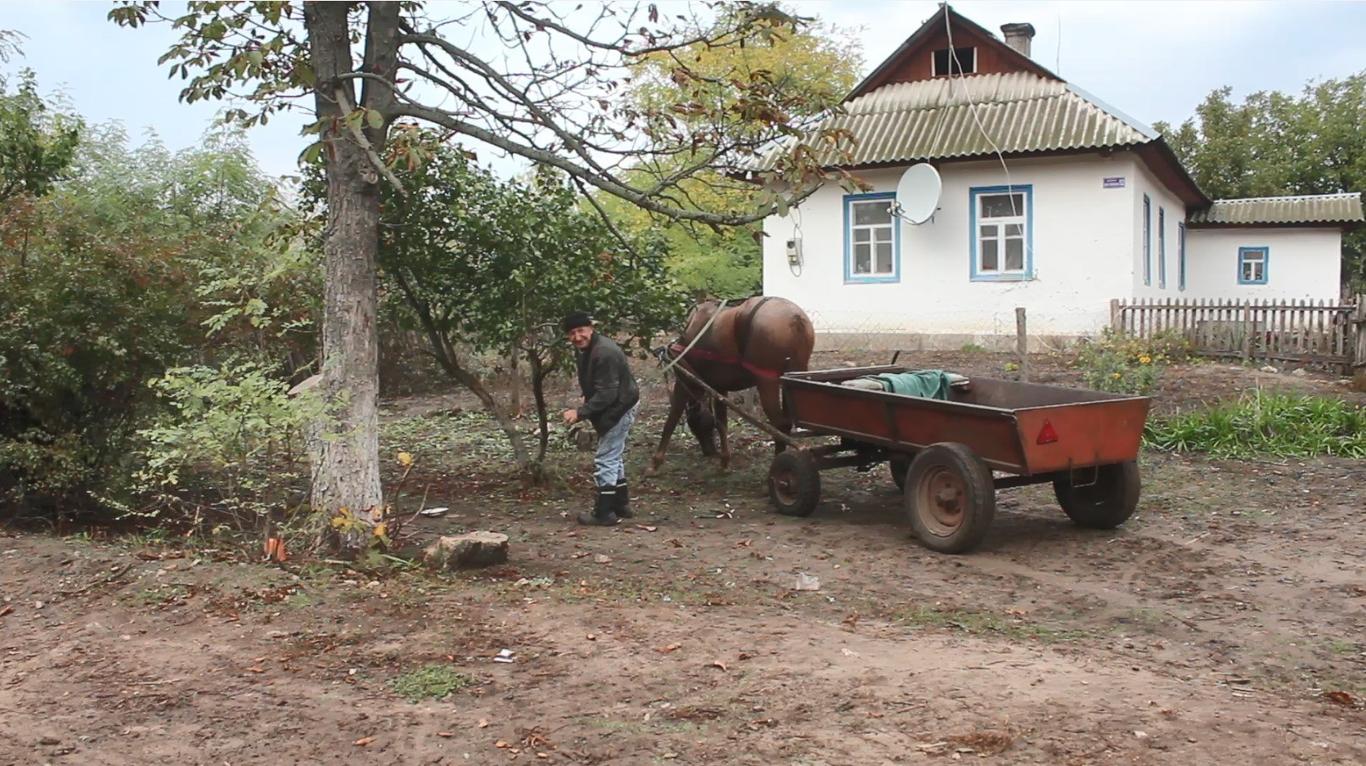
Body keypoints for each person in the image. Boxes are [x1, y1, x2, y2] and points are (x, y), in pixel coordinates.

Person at [561, 311, 640, 526]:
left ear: (591, 328)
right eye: (572, 333)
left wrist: (580, 412)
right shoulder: (587, 349)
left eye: (581, 331)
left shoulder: (604, 352)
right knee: (614, 454)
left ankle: (604, 513)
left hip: (620, 405)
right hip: (616, 402)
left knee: (605, 457)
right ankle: (621, 505)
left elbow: (607, 394)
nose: (577, 337)